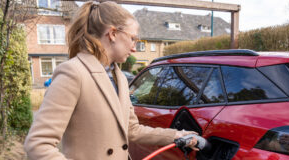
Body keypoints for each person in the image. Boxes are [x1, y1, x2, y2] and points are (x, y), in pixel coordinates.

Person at [24, 1, 198, 160]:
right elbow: (39, 144)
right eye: (133, 38)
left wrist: (175, 135)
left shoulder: (119, 77)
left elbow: (132, 130)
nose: (135, 48)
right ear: (113, 33)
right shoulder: (73, 72)